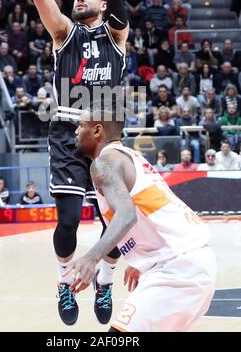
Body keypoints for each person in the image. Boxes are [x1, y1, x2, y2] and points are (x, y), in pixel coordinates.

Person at [32, 0, 129, 326]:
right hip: (69, 131)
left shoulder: (117, 35)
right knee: (69, 221)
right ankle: (63, 283)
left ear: (104, 6)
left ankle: (105, 282)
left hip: (107, 133)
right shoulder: (63, 35)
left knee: (111, 223)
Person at [64, 102, 217, 332]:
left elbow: (127, 216)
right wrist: (144, 258)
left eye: (80, 125)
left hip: (178, 268)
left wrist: (91, 257)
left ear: (97, 131)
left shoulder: (104, 163)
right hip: (190, 262)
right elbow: (150, 209)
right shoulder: (130, 156)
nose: (76, 131)